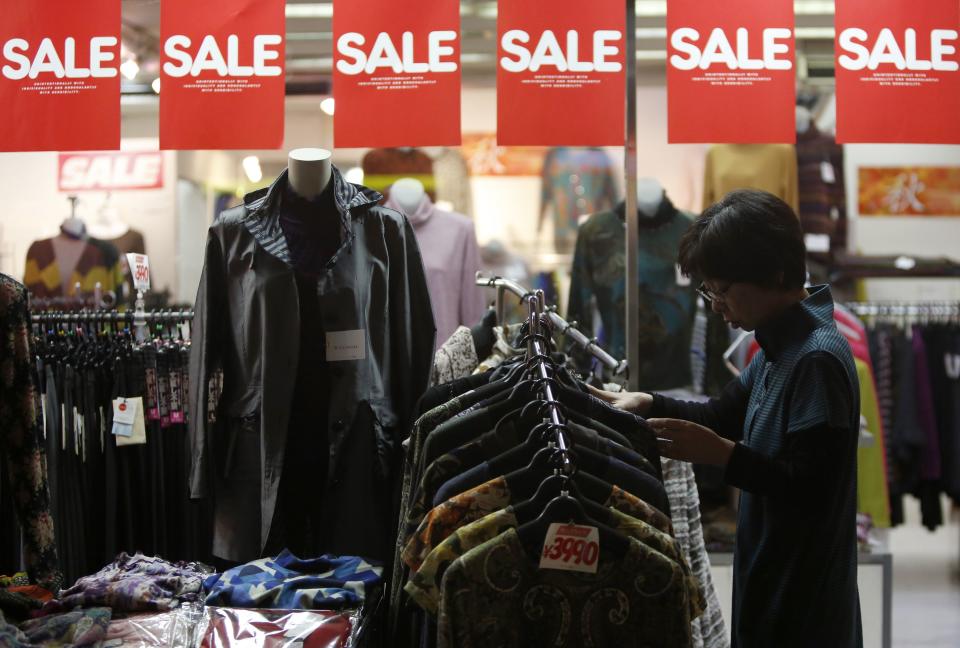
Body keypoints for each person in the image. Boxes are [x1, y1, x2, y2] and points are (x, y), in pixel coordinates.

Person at [591, 189, 863, 648]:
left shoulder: (816, 358)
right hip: (771, 568)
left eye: (723, 290)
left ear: (774, 273)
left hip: (805, 591)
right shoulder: (778, 345)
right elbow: (720, 415)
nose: (715, 304)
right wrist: (646, 403)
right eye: (708, 290)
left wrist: (723, 456)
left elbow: (810, 487)